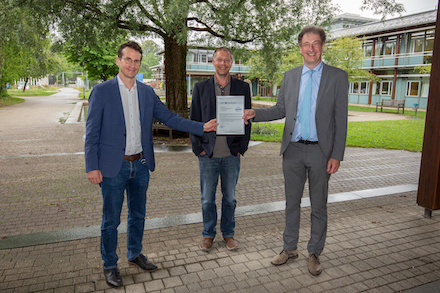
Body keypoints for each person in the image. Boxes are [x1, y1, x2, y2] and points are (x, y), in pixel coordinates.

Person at [84, 41, 217, 288]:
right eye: (128, 59)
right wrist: (92, 166)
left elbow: (169, 117)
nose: (132, 65)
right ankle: (110, 265)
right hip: (113, 168)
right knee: (110, 220)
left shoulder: (146, 92)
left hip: (141, 165)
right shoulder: (102, 91)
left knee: (138, 215)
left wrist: (202, 126)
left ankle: (134, 254)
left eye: (136, 61)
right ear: (118, 61)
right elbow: (92, 133)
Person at [242, 25, 348, 275]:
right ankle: (289, 248)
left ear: (322, 46)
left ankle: (314, 252)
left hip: (321, 153)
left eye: (315, 44)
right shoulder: (290, 76)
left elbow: (340, 119)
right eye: (306, 44)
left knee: (318, 205)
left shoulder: (337, 76)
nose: (311, 49)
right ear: (300, 48)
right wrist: (255, 113)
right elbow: (281, 109)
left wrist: (336, 154)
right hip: (292, 151)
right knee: (291, 203)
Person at [190, 47, 252, 252]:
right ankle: (208, 234)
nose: (222, 63)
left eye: (226, 60)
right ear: (213, 62)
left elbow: (248, 119)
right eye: (219, 60)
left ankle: (228, 233)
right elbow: (194, 119)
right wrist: (197, 147)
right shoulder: (200, 87)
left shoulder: (242, 87)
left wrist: (242, 147)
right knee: (207, 199)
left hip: (231, 154)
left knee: (230, 198)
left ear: (231, 63)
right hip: (208, 154)